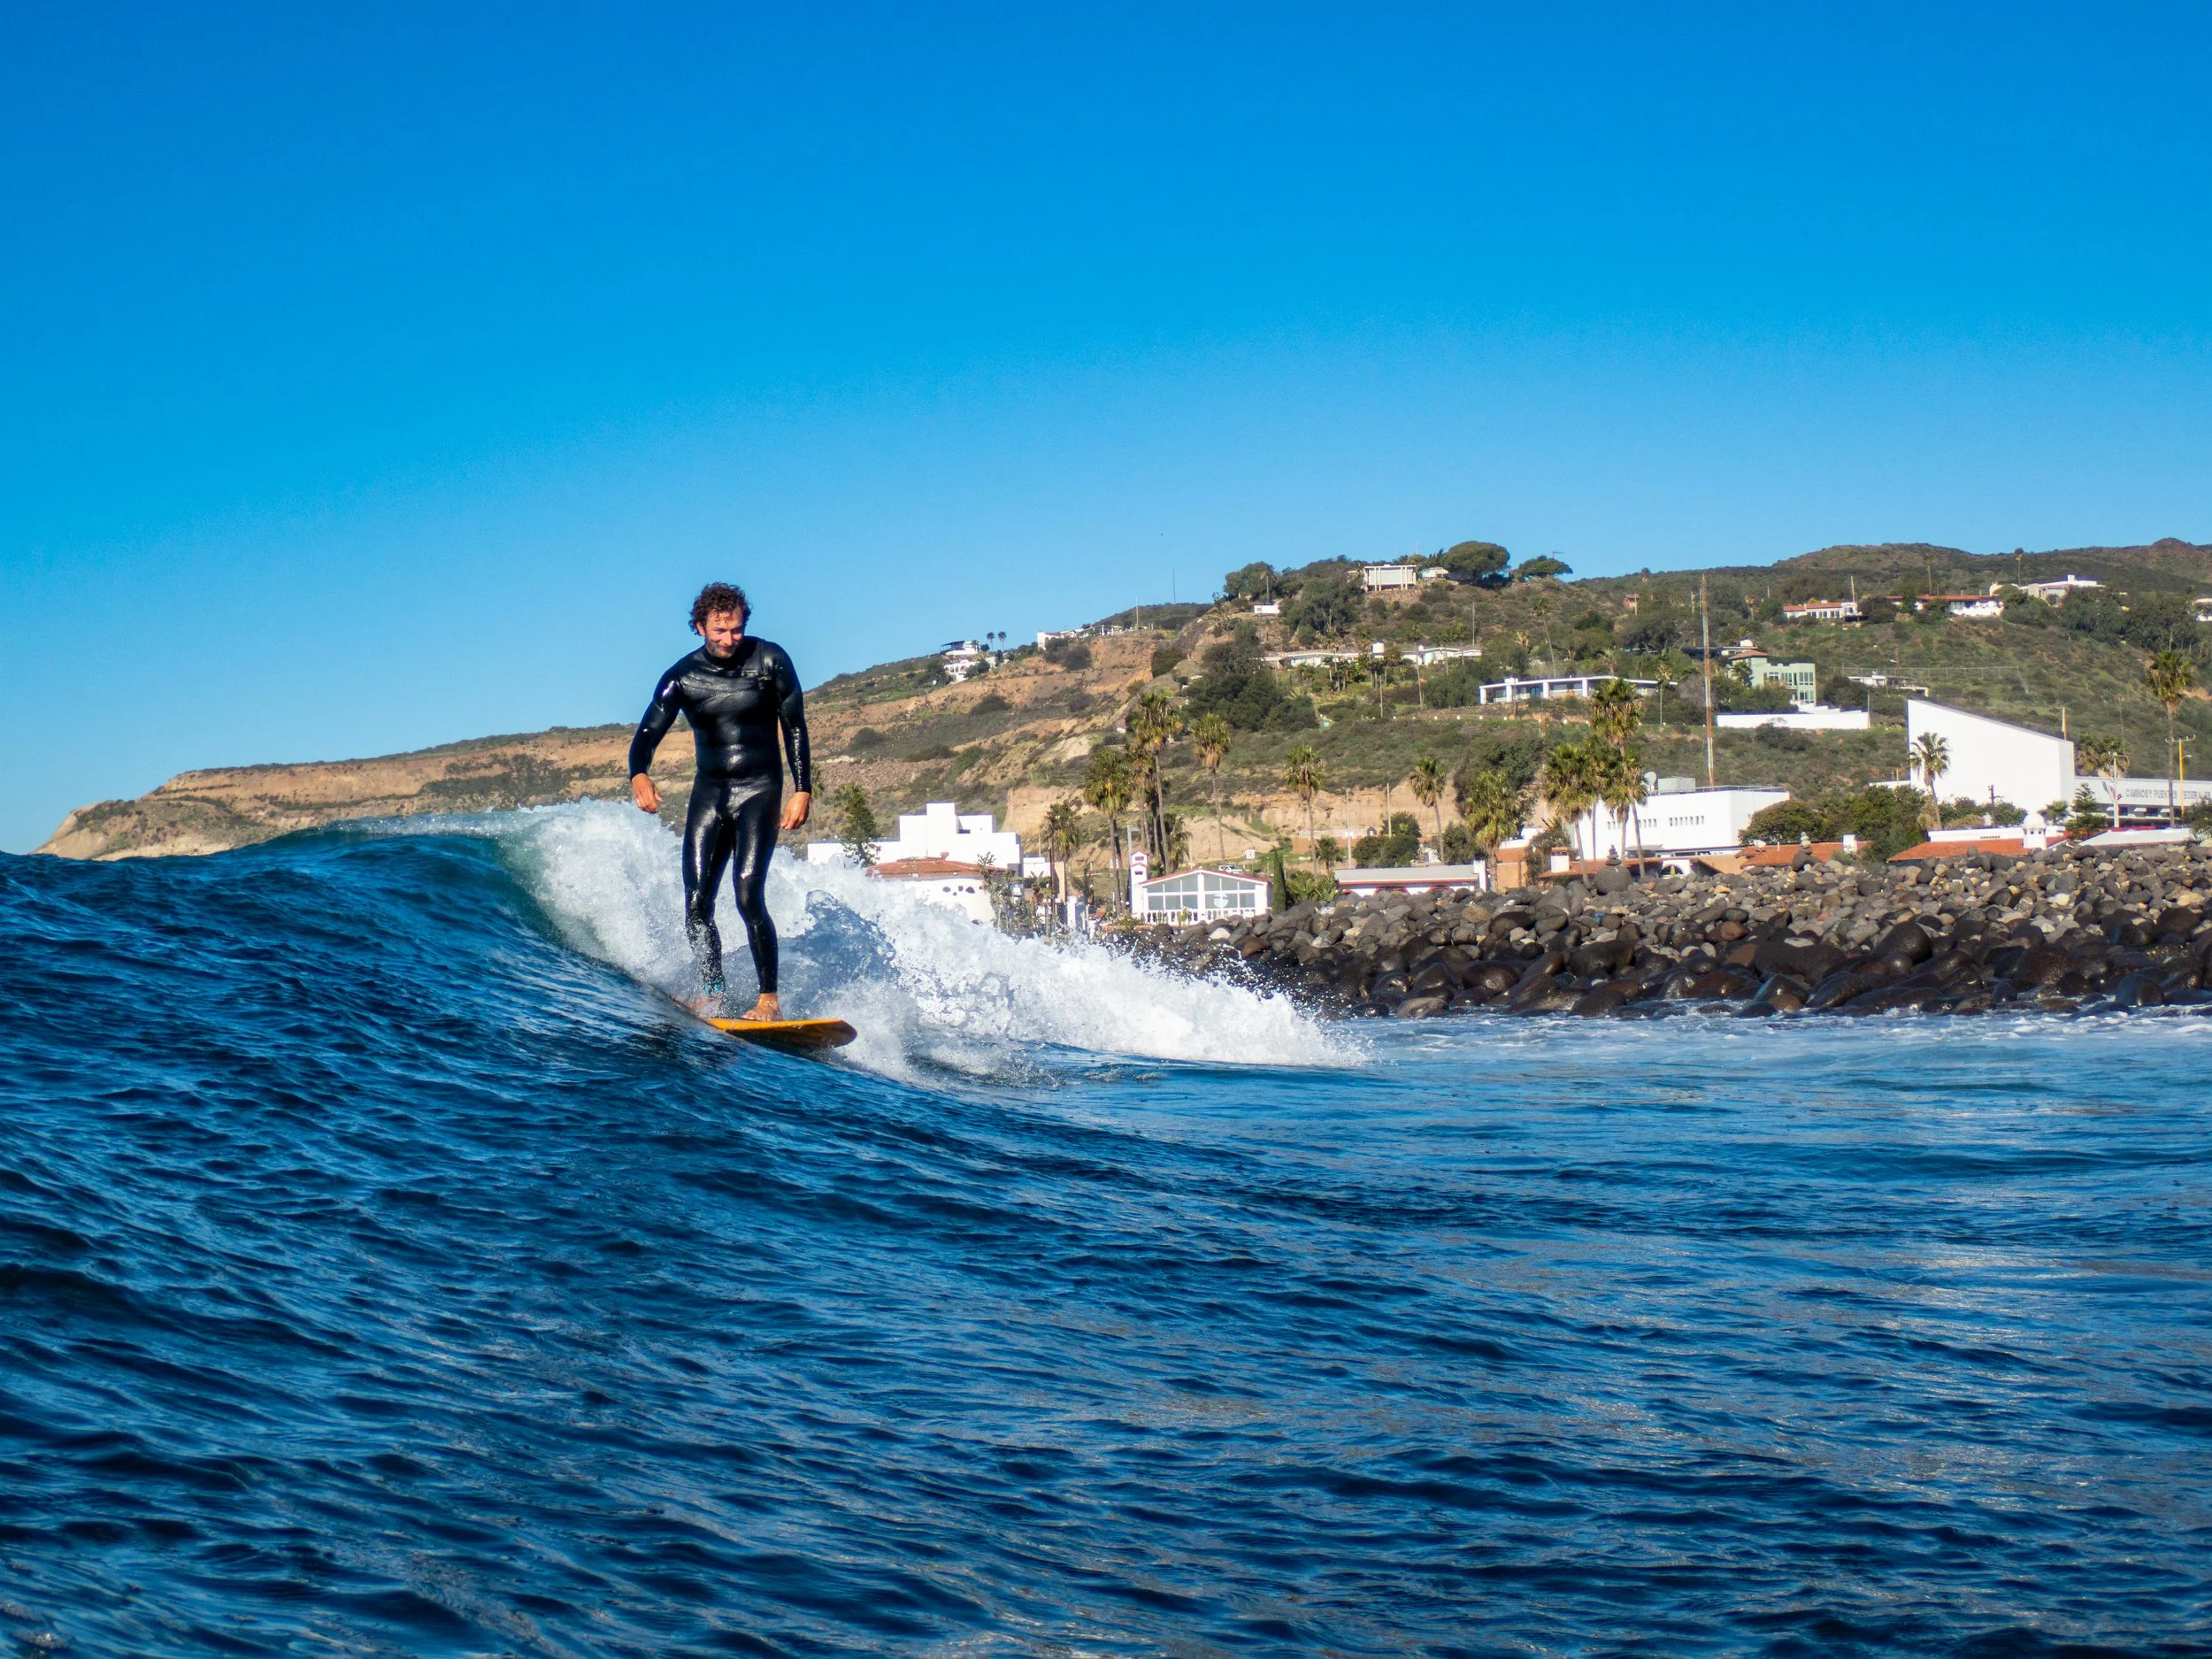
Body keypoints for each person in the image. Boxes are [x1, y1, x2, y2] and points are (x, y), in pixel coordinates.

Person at [628, 582, 811, 1020]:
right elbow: (648, 732)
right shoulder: (681, 676)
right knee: (696, 902)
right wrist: (639, 773)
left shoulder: (769, 660)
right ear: (699, 627)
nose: (729, 639)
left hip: (759, 790)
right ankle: (712, 992)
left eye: (736, 629)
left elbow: (796, 727)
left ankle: (768, 999)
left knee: (748, 895)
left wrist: (803, 788)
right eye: (719, 631)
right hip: (710, 793)